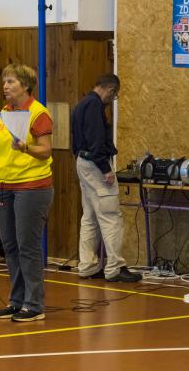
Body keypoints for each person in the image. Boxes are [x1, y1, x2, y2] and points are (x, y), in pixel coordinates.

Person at [0, 64, 54, 322]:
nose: (5, 86)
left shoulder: (38, 113)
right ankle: (17, 301)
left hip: (31, 187)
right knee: (10, 246)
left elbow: (45, 150)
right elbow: (3, 150)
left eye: (11, 81)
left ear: (25, 85)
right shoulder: (6, 112)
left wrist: (26, 148)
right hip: (2, 185)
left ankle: (34, 305)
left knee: (27, 246)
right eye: (4, 81)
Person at [72, 74, 141, 283]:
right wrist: (105, 168)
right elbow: (96, 140)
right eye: (114, 95)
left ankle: (88, 266)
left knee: (90, 217)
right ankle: (115, 267)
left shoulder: (82, 103)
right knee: (110, 216)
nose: (112, 100)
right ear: (111, 90)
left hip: (82, 162)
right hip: (96, 165)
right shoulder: (94, 105)